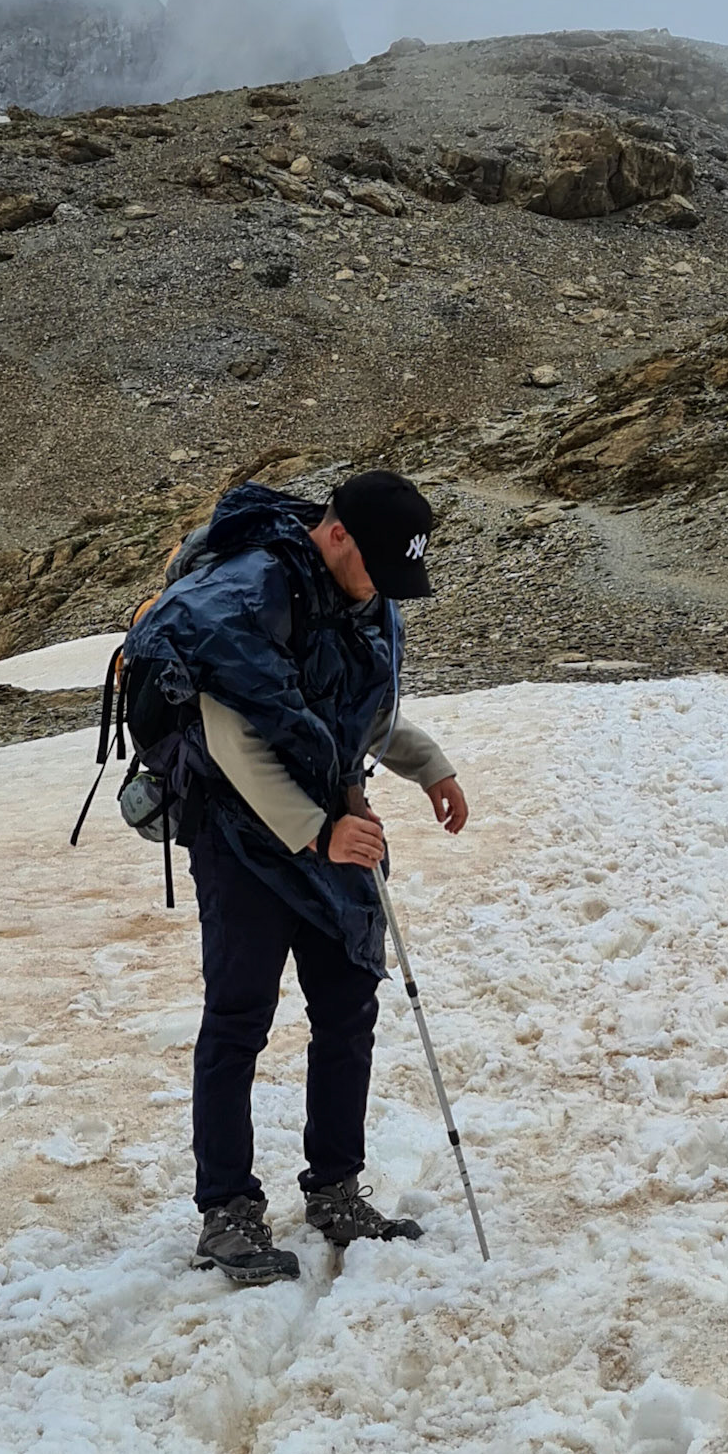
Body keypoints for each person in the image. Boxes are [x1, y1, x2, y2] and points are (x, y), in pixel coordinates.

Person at [153, 469, 467, 1285]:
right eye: (378, 568)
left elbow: (360, 710)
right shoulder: (249, 595)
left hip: (329, 829)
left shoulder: (364, 600)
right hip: (239, 836)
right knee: (238, 1018)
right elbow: (233, 736)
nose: (385, 590)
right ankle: (226, 1213)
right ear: (335, 535)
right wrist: (319, 832)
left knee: (348, 1005)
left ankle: (336, 1189)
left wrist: (429, 765)